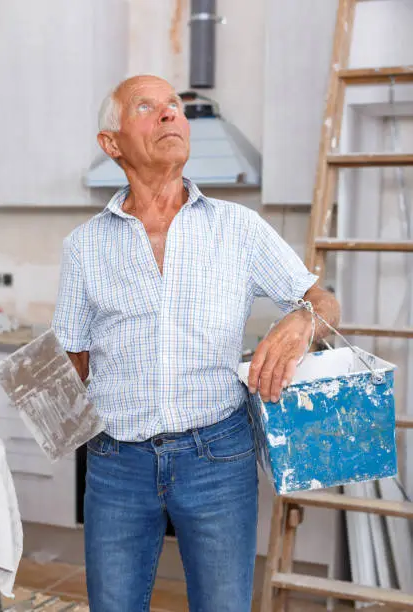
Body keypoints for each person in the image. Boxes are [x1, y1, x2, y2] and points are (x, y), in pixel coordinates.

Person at [52, 75, 340, 612]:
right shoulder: (84, 247)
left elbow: (323, 303)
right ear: (111, 144)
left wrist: (302, 322)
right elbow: (72, 362)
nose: (169, 116)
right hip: (117, 462)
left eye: (175, 107)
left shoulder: (240, 228)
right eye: (146, 107)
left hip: (218, 457)